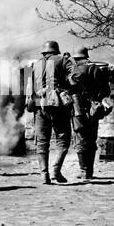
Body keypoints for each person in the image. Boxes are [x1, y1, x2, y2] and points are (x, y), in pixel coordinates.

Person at [31, 41, 73, 184]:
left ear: (44, 52)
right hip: (58, 104)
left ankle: (44, 175)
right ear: (56, 50)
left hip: (39, 104)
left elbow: (30, 87)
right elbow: (75, 79)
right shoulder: (63, 60)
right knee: (63, 139)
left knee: (42, 142)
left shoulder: (35, 64)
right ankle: (56, 170)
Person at [69, 47, 111, 180]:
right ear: (86, 56)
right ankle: (89, 171)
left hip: (77, 109)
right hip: (93, 109)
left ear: (75, 58)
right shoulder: (95, 69)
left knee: (80, 137)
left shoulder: (71, 70)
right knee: (91, 138)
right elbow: (106, 90)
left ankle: (83, 170)